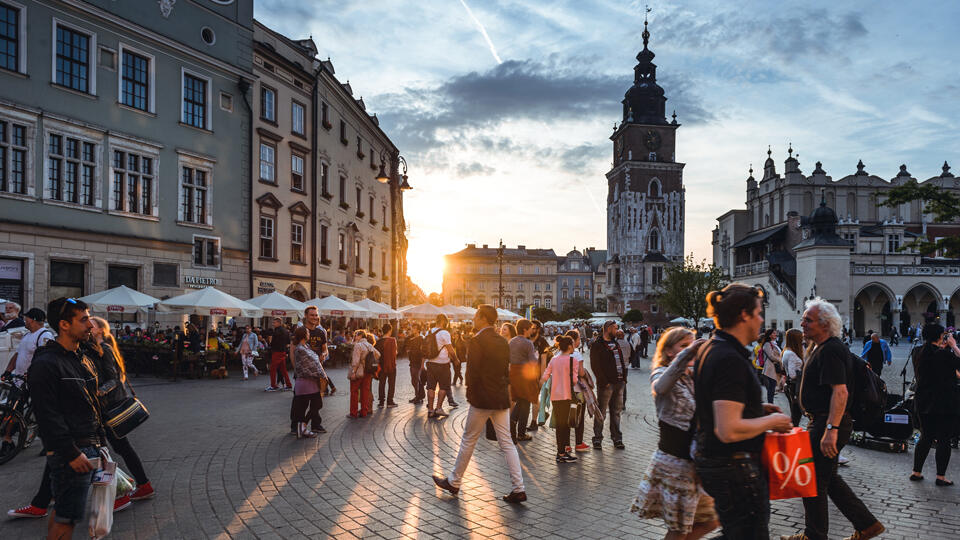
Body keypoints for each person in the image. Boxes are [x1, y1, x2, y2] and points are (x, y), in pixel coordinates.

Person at [693, 283, 793, 538]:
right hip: (735, 467)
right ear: (743, 315)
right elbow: (728, 429)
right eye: (759, 313)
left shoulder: (713, 347)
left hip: (719, 463)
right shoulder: (729, 358)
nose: (761, 320)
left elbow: (718, 404)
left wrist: (755, 409)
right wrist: (771, 421)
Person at [781, 298, 884, 540]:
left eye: (808, 319)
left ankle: (814, 535)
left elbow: (841, 391)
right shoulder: (820, 347)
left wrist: (831, 429)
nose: (802, 323)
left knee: (813, 482)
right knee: (829, 479)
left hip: (827, 422)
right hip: (822, 421)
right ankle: (867, 525)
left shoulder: (831, 349)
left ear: (825, 324)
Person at [26, 298, 105, 538]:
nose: (90, 325)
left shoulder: (81, 358)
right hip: (72, 454)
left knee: (63, 513)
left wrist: (99, 443)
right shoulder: (46, 363)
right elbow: (47, 416)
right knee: (66, 520)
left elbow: (91, 405)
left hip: (86, 448)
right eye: (83, 320)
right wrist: (72, 453)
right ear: (64, 325)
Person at [432, 304, 526, 503]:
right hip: (499, 397)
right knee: (507, 443)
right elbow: (505, 370)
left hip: (482, 398)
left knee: (468, 439)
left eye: (476, 315)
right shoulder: (502, 341)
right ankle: (519, 488)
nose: (474, 319)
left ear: (483, 318)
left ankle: (454, 482)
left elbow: (472, 372)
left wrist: (470, 393)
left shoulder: (477, 340)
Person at [632, 327, 719, 540]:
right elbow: (661, 387)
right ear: (670, 351)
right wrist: (687, 354)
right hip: (675, 461)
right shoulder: (661, 372)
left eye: (691, 345)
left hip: (696, 461)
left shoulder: (694, 375)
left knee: (712, 519)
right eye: (683, 346)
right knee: (680, 528)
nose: (689, 350)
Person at [87, 317, 155, 506]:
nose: (87, 327)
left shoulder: (105, 350)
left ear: (100, 330)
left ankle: (126, 490)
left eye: (90, 325)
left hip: (108, 408)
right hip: (104, 408)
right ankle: (141, 485)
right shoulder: (95, 349)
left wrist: (97, 391)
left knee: (108, 449)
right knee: (118, 448)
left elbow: (114, 379)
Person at [909, 323, 960, 486]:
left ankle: (916, 472)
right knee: (944, 438)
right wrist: (954, 346)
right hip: (943, 403)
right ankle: (940, 476)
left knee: (926, 436)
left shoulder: (918, 352)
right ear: (940, 336)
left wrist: (943, 347)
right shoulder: (943, 354)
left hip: (923, 401)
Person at [539, 335, 582, 463]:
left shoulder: (554, 359)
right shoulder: (572, 360)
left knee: (560, 424)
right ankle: (562, 453)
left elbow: (546, 375)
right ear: (569, 346)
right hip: (567, 395)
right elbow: (574, 380)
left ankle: (561, 451)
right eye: (573, 344)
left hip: (555, 396)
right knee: (565, 424)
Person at [589, 320, 630, 450]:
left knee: (616, 412)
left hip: (619, 383)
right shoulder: (598, 345)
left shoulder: (616, 344)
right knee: (601, 412)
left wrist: (624, 378)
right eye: (615, 328)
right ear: (608, 329)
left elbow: (621, 362)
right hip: (606, 385)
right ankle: (597, 439)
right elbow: (595, 365)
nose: (617, 331)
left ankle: (617, 438)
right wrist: (604, 382)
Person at [2, 308, 54, 386]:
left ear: (32, 320)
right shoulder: (27, 335)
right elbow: (17, 354)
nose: (24, 320)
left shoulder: (45, 335)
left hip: (33, 383)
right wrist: (8, 371)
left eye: (26, 318)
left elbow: (46, 360)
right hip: (19, 382)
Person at [291, 326, 326, 437]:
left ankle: (303, 426)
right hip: (305, 382)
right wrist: (323, 376)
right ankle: (302, 428)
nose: (309, 334)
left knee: (316, 404)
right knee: (304, 407)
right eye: (307, 332)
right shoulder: (301, 349)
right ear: (304, 335)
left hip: (311, 382)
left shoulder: (306, 347)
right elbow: (313, 364)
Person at [509, 319, 539, 442]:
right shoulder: (528, 343)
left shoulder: (511, 342)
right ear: (525, 329)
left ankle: (512, 425)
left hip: (514, 373)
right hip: (525, 374)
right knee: (525, 402)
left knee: (520, 401)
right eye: (530, 328)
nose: (532, 330)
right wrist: (536, 357)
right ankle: (521, 432)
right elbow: (532, 362)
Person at [424, 314, 457, 418]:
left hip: (430, 363)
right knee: (443, 386)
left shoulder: (428, 332)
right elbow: (450, 349)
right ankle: (438, 408)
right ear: (443, 322)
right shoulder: (444, 333)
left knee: (431, 387)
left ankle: (430, 410)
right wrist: (456, 359)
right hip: (443, 364)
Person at [347, 330, 379, 418]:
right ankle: (364, 412)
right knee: (365, 392)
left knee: (354, 392)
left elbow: (356, 361)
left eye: (355, 335)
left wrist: (353, 372)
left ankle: (353, 413)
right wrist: (367, 361)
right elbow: (378, 354)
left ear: (360, 335)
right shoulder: (369, 345)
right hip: (368, 372)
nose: (354, 337)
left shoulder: (358, 345)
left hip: (359, 371)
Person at [781, 328, 805, 426]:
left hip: (792, 386)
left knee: (795, 415)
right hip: (795, 387)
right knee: (796, 415)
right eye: (801, 338)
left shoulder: (788, 351)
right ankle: (793, 436)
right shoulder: (791, 354)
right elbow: (792, 374)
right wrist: (804, 372)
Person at [266, 317, 292, 391]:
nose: (273, 324)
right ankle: (288, 384)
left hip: (277, 352)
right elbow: (288, 342)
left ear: (278, 323)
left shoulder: (276, 331)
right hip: (283, 351)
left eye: (274, 323)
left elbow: (273, 342)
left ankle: (273, 386)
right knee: (283, 369)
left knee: (273, 369)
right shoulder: (286, 331)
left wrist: (270, 346)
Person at [376, 324, 399, 408]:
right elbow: (395, 353)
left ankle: (381, 402)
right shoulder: (393, 340)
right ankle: (390, 401)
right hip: (392, 365)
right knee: (391, 384)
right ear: (390, 330)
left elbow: (375, 354)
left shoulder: (378, 341)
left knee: (381, 383)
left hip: (382, 365)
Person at [759, 329, 784, 404]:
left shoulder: (774, 343)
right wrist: (780, 360)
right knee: (771, 387)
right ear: (770, 335)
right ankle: (770, 403)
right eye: (773, 333)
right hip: (770, 368)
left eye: (776, 333)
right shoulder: (767, 344)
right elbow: (771, 356)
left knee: (772, 386)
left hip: (774, 367)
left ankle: (771, 403)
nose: (775, 334)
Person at [406, 324, 425, 404]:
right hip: (412, 361)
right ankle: (418, 395)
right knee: (413, 380)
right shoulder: (411, 339)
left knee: (417, 380)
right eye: (412, 328)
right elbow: (408, 348)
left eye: (414, 328)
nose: (412, 330)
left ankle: (419, 397)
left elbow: (423, 352)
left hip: (418, 362)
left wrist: (422, 364)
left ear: (418, 330)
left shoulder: (421, 339)